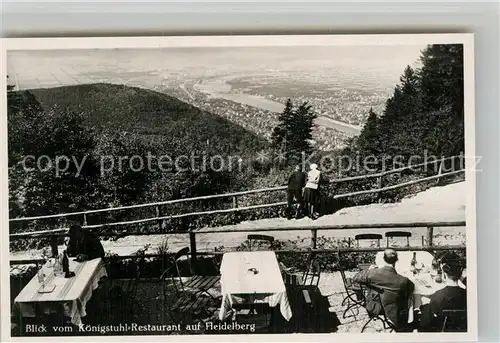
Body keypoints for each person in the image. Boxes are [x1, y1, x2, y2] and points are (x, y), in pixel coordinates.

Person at [352, 249, 414, 331]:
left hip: (375, 306)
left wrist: (369, 270)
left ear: (383, 259)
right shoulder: (403, 280)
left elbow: (356, 278)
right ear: (397, 260)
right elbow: (412, 288)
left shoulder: (372, 273)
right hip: (395, 310)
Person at [419, 253, 467, 332]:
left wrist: (425, 307)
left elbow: (424, 324)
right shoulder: (468, 295)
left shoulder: (437, 296)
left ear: (444, 274)